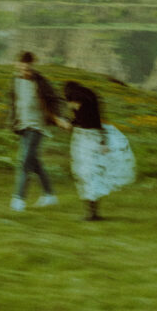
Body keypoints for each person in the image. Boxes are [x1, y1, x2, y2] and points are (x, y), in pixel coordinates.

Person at [61, 80, 135, 220]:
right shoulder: (90, 100)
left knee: (87, 174)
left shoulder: (78, 102)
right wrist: (103, 141)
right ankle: (93, 211)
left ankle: (92, 212)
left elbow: (82, 122)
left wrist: (69, 122)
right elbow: (95, 122)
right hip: (94, 138)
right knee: (92, 174)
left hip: (86, 140)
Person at [6, 51, 62, 212]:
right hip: (22, 126)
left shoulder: (41, 82)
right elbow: (13, 102)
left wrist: (58, 118)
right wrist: (12, 121)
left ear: (32, 66)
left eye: (28, 67)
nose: (25, 70)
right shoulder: (15, 81)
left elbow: (55, 99)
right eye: (22, 66)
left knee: (24, 162)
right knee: (34, 161)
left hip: (37, 127)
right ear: (17, 65)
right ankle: (50, 195)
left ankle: (19, 199)